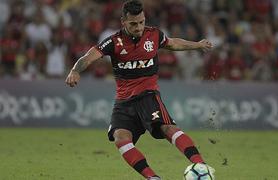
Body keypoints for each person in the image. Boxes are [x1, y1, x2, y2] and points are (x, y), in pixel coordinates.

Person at [65, 1, 214, 179]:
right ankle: (153, 177)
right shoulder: (114, 42)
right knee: (120, 138)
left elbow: (173, 43)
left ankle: (201, 166)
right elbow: (89, 57)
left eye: (141, 22)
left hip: (148, 96)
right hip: (124, 102)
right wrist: (75, 70)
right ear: (123, 22)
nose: (139, 27)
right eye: (133, 24)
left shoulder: (154, 35)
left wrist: (197, 45)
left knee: (167, 128)